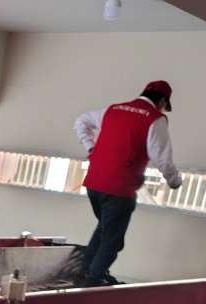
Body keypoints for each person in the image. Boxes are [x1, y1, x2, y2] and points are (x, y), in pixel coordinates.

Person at [73, 80, 182, 287]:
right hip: (119, 189)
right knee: (112, 239)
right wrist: (174, 181)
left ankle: (86, 269)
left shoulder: (112, 110)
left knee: (105, 227)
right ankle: (93, 280)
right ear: (162, 100)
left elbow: (81, 121)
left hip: (93, 184)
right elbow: (162, 157)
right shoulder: (154, 118)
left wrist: (90, 147)